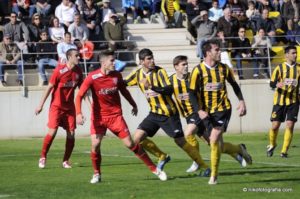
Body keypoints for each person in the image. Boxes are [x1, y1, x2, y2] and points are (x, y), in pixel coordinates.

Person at [75, 50, 167, 183]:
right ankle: (96, 174)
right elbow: (79, 96)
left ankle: (155, 169)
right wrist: (78, 113)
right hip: (99, 118)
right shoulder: (92, 77)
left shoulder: (117, 75)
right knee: (95, 145)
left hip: (115, 117)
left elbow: (124, 91)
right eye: (112, 61)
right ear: (103, 62)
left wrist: (133, 104)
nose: (115, 63)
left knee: (130, 144)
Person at [124, 48, 211, 176]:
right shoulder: (137, 74)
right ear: (142, 61)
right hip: (154, 113)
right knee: (136, 139)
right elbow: (123, 82)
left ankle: (204, 167)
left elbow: (168, 89)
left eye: (152, 57)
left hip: (169, 113)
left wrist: (151, 86)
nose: (152, 60)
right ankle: (162, 156)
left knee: (180, 141)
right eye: (149, 58)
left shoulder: (160, 72)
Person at [189, 39, 252, 185]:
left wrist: (242, 101)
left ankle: (214, 177)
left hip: (223, 110)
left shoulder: (223, 68)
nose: (220, 52)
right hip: (206, 112)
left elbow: (234, 85)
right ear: (207, 53)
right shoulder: (198, 70)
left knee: (213, 139)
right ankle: (239, 149)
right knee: (219, 146)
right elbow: (191, 92)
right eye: (217, 49)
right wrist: (199, 110)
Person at [35, 48, 84, 169]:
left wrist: (87, 107)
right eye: (77, 56)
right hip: (56, 107)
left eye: (79, 56)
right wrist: (40, 105)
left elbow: (82, 91)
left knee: (71, 134)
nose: (79, 58)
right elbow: (49, 88)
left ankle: (65, 161)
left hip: (69, 108)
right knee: (52, 132)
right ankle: (43, 157)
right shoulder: (59, 71)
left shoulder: (78, 71)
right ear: (69, 57)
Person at [267, 45, 299, 158]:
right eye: (293, 53)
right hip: (279, 102)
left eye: (296, 53)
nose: (295, 54)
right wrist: (277, 84)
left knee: (289, 125)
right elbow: (271, 83)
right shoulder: (279, 68)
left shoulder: (299, 68)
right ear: (286, 55)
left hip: (294, 101)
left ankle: (284, 151)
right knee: (275, 126)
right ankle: (272, 144)